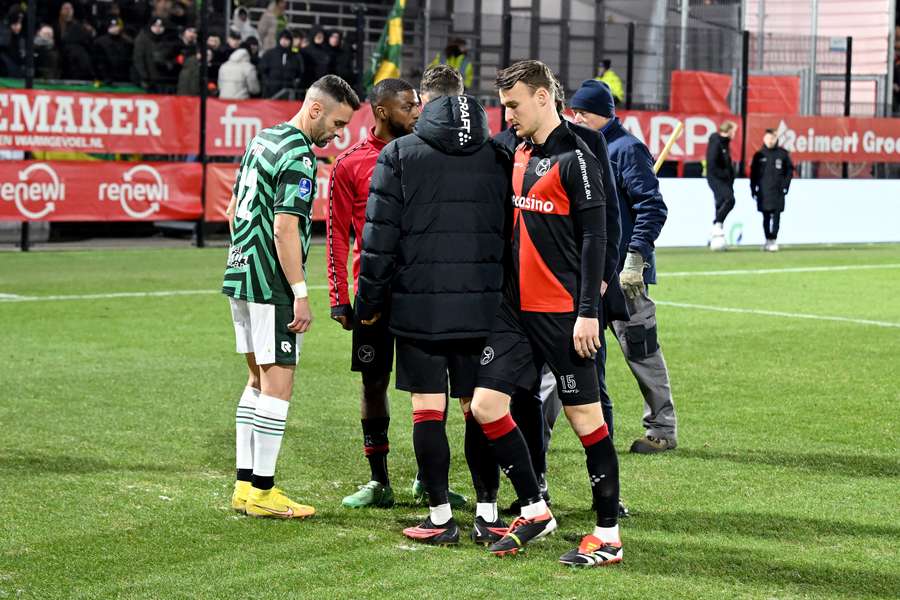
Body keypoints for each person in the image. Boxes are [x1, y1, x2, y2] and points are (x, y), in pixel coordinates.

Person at [470, 60, 623, 566]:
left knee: (588, 423)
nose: (507, 114)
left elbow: (597, 236)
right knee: (486, 407)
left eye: (513, 105)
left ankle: (608, 535)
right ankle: (535, 507)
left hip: (563, 314)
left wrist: (587, 313)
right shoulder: (516, 150)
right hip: (514, 313)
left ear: (542, 97)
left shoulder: (576, 157)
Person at [355, 65, 511, 546]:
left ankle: (440, 517)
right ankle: (488, 512)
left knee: (428, 410)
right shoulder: (499, 153)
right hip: (485, 308)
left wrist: (369, 303)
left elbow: (379, 239)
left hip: (419, 309)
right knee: (478, 410)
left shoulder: (400, 154)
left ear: (425, 100)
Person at [223, 74, 360, 520]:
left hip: (240, 274)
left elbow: (231, 211)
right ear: (315, 109)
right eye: (338, 123)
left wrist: (245, 258)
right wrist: (299, 292)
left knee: (257, 382)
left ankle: (245, 486)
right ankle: (263, 491)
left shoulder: (263, 139)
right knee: (279, 384)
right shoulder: (299, 154)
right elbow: (285, 227)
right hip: (272, 283)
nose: (339, 134)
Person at [569, 79, 678, 453]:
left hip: (625, 277)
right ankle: (588, 432)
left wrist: (635, 257)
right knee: (581, 357)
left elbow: (652, 207)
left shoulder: (628, 150)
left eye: (583, 111)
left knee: (642, 352)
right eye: (574, 110)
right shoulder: (581, 147)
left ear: (603, 113)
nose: (576, 116)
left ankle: (662, 430)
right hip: (589, 277)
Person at [326, 78, 421, 509]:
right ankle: (380, 482)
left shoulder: (427, 156)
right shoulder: (349, 165)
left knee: (431, 386)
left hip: (423, 292)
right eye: (407, 106)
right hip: (374, 295)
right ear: (382, 112)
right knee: (373, 383)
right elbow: (337, 238)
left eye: (417, 104)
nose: (416, 112)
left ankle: (428, 479)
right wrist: (338, 296)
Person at [750, 129, 793, 252]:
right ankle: (767, 239)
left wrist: (785, 185)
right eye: (768, 138)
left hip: (778, 191)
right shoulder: (759, 155)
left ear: (776, 139)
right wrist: (753, 189)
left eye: (773, 138)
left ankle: (773, 239)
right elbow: (753, 175)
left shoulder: (783, 154)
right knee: (766, 216)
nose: (770, 141)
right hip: (763, 191)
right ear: (764, 139)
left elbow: (789, 171)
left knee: (777, 216)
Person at [706, 120, 737, 250]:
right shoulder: (716, 141)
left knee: (720, 204)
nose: (735, 133)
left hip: (724, 179)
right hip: (716, 178)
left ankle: (715, 238)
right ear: (729, 130)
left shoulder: (725, 144)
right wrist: (725, 174)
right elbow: (712, 163)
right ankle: (716, 226)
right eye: (734, 130)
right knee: (730, 200)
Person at [133, 17, 177, 92]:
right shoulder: (142, 38)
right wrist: (144, 77)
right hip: (148, 79)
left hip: (164, 78)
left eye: (160, 26)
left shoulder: (168, 39)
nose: (158, 28)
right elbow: (138, 60)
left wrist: (168, 64)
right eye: (155, 26)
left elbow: (172, 57)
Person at [260, 29, 304, 98]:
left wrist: (294, 85)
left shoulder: (296, 56)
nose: (284, 41)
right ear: (279, 39)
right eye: (282, 39)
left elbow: (300, 73)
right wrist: (267, 84)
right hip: (271, 93)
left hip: (289, 93)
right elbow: (262, 71)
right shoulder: (269, 54)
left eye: (287, 39)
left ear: (290, 41)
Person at [93, 17, 133, 84]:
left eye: (116, 26)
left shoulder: (128, 42)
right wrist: (103, 77)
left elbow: (130, 61)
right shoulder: (99, 42)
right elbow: (98, 62)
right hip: (105, 80)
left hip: (124, 79)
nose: (115, 28)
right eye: (112, 26)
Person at [0, 10, 24, 78]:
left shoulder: (20, 38)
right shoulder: (4, 31)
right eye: (16, 23)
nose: (19, 26)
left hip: (17, 74)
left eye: (20, 23)